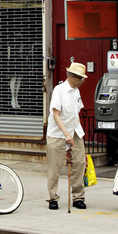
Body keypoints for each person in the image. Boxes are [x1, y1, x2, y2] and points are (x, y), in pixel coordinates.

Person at [46, 60, 88, 210]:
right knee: (55, 166)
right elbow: (56, 114)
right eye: (80, 78)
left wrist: (75, 133)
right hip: (58, 133)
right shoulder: (59, 90)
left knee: (79, 163)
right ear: (72, 77)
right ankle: (52, 197)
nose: (83, 80)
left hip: (75, 131)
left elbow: (76, 112)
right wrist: (66, 134)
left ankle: (78, 196)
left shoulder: (76, 90)